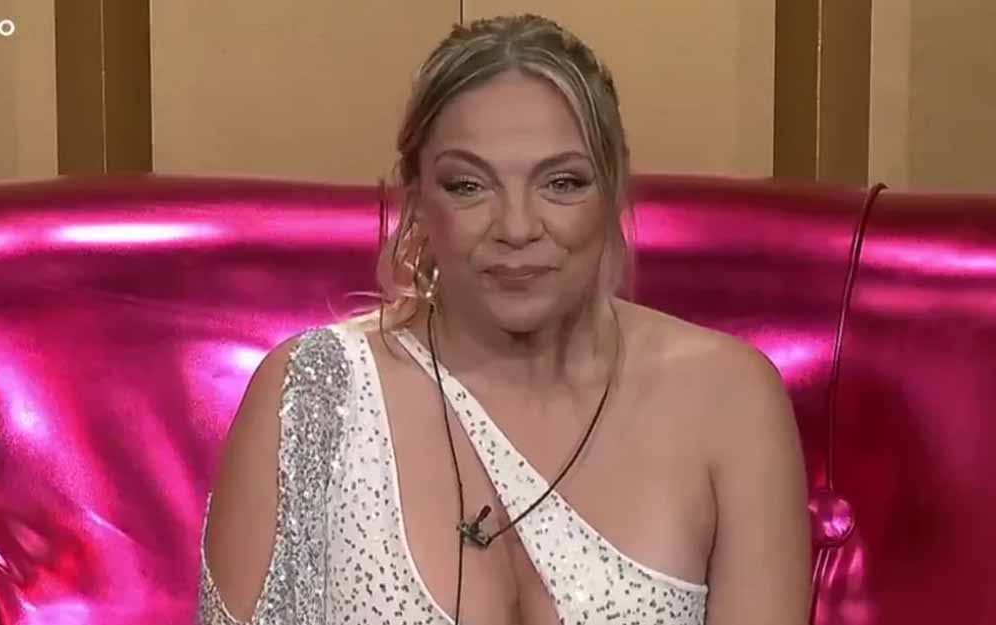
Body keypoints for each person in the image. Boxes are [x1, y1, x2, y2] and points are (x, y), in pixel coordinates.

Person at [197, 13, 811, 625]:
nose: (517, 228)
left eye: (562, 183)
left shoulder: (730, 399)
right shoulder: (311, 394)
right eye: (469, 186)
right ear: (417, 196)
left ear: (613, 188)